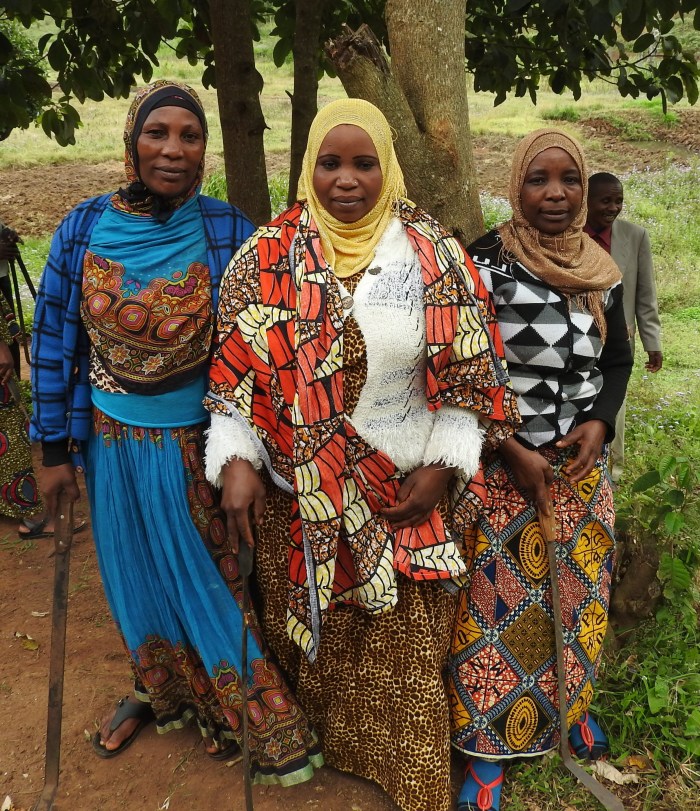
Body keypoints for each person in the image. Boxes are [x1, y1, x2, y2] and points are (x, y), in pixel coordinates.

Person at [204, 98, 520, 811]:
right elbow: (234, 380)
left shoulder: (434, 255)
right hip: (301, 501)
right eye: (330, 162)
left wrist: (442, 468)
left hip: (399, 493)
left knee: (404, 659)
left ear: (390, 167)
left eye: (363, 163)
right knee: (314, 652)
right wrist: (239, 461)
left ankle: (405, 774)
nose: (346, 179)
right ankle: (317, 756)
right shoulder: (266, 255)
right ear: (309, 166)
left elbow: (474, 382)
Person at [29, 80, 323, 784]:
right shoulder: (82, 228)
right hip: (109, 445)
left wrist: (244, 453)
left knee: (213, 584)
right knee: (134, 579)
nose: (173, 149)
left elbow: (261, 353)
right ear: (131, 141)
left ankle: (254, 712)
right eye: (157, 133)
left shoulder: (227, 230)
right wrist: (50, 451)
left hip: (199, 448)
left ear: (204, 150)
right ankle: (156, 690)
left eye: (189, 136)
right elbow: (52, 342)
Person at [447, 130, 633, 811]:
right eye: (538, 180)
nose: (555, 193)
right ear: (516, 186)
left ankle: (570, 709)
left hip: (579, 472)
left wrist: (601, 421)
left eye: (569, 181)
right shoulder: (484, 262)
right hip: (505, 470)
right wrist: (506, 444)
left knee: (579, 599)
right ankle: (488, 755)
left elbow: (617, 361)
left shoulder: (598, 266)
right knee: (495, 612)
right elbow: (462, 364)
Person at [585, 171, 662, 481]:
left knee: (616, 402)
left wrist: (651, 340)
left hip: (619, 339)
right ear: (586, 203)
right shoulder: (569, 235)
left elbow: (645, 294)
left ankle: (613, 468)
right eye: (605, 201)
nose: (613, 208)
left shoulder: (635, 236)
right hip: (577, 338)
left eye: (619, 201)